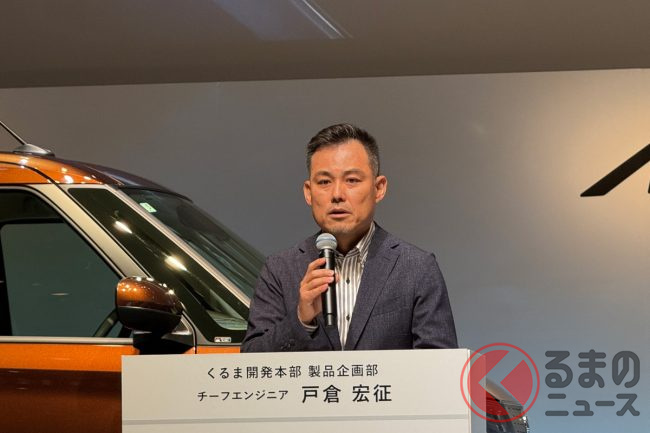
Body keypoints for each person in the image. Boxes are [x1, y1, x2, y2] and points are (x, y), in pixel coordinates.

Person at [242, 123, 457, 352]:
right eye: (324, 182)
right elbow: (251, 359)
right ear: (308, 192)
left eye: (352, 180)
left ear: (379, 188)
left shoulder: (417, 268)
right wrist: (301, 320)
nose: (337, 195)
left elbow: (440, 364)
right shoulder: (280, 270)